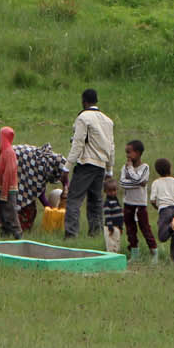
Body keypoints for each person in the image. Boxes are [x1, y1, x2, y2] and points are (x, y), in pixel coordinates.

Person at [62, 87, 114, 241]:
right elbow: (111, 146)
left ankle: (71, 234)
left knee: (74, 199)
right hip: (101, 166)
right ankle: (96, 233)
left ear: (83, 101)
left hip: (86, 164)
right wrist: (109, 170)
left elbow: (78, 143)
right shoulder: (108, 121)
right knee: (96, 201)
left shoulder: (83, 117)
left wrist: (67, 167)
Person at [10, 142, 68, 234]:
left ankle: (20, 229)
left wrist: (65, 186)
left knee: (30, 207)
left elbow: (64, 177)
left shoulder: (55, 162)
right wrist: (49, 209)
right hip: (17, 162)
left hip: (21, 158)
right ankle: (17, 230)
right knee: (25, 205)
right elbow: (39, 192)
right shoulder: (40, 167)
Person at [120, 139, 157, 261]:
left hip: (140, 204)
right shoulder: (124, 168)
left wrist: (131, 172)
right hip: (128, 203)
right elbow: (123, 183)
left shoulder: (144, 167)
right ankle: (134, 253)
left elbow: (138, 180)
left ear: (138, 153)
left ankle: (154, 253)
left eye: (129, 152)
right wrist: (137, 182)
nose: (127, 155)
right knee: (130, 230)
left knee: (145, 228)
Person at [149, 158, 174, 264]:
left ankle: (171, 227)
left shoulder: (156, 183)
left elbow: (152, 201)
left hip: (164, 210)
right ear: (170, 169)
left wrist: (158, 208)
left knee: (162, 236)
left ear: (157, 171)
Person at [0, 126, 23, 241]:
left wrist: (4, 192)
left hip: (7, 189)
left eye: (0, 136)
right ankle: (5, 234)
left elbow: (9, 172)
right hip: (2, 188)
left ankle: (17, 235)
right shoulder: (4, 152)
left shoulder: (9, 152)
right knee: (2, 214)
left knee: (10, 213)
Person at [102, 176, 125, 253]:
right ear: (105, 191)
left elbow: (120, 215)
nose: (113, 193)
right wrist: (110, 228)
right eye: (110, 191)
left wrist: (121, 227)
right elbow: (108, 216)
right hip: (110, 228)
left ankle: (116, 257)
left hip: (117, 227)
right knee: (111, 245)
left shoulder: (117, 201)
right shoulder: (107, 203)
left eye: (114, 190)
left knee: (117, 244)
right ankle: (110, 259)